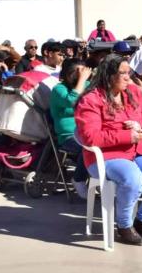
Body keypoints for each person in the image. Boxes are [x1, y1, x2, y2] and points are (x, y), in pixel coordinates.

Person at [75, 54, 142, 245]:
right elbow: (91, 137)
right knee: (133, 178)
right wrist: (126, 136)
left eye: (128, 73)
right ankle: (124, 226)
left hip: (138, 149)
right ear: (109, 75)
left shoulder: (134, 92)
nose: (128, 77)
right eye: (123, 73)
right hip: (105, 156)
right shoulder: (91, 100)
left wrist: (139, 126)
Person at [50, 58, 92, 200]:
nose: (80, 75)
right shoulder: (58, 89)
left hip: (88, 131)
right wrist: (82, 80)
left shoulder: (88, 85)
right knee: (88, 149)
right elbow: (72, 100)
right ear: (67, 73)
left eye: (82, 71)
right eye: (77, 72)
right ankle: (78, 179)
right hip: (68, 136)